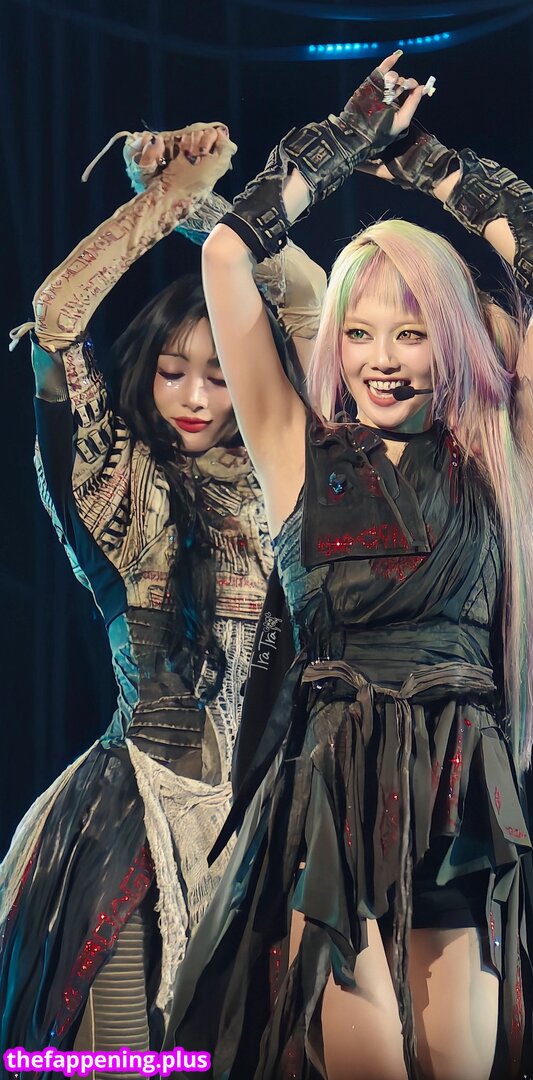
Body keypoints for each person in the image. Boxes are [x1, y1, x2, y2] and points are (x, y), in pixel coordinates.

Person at [164, 53, 533, 1080]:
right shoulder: (294, 449)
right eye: (357, 333)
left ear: (450, 339)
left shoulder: (496, 457)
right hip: (333, 807)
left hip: (461, 800)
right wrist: (343, 142)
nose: (381, 358)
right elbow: (226, 257)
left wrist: (435, 168)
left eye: (409, 332)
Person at [0, 123, 325, 1070]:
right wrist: (160, 202)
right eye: (174, 371)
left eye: (220, 376)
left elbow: (307, 303)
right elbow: (56, 320)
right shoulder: (120, 485)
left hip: (260, 835)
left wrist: (206, 211)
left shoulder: (283, 481)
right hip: (129, 818)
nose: (195, 396)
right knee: (122, 1054)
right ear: (145, 371)